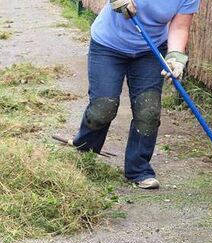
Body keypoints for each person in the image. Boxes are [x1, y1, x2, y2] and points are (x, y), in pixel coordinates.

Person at [62, 0, 200, 189]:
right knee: (104, 107)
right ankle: (85, 148)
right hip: (108, 45)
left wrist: (175, 57)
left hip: (150, 50)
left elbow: (180, 26)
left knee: (148, 110)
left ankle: (138, 169)